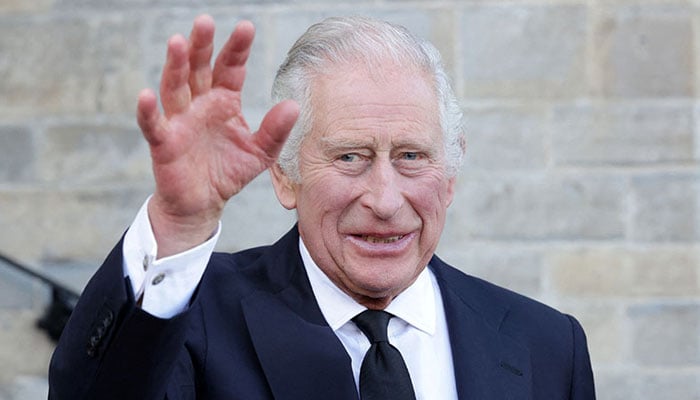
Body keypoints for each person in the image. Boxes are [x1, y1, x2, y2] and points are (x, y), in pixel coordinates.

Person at [48, 14, 596, 400]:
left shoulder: (548, 344)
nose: (385, 200)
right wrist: (179, 223)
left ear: (449, 175)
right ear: (285, 175)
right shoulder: (194, 321)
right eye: (350, 157)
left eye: (411, 156)